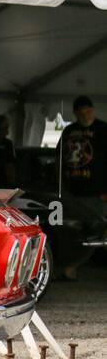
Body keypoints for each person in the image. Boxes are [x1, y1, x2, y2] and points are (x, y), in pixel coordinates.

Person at [56, 96, 107, 280]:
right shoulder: (70, 131)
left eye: (87, 111)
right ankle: (70, 269)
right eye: (80, 112)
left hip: (98, 193)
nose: (84, 115)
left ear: (93, 110)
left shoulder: (103, 130)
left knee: (100, 231)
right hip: (74, 193)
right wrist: (62, 187)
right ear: (75, 113)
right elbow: (59, 159)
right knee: (77, 234)